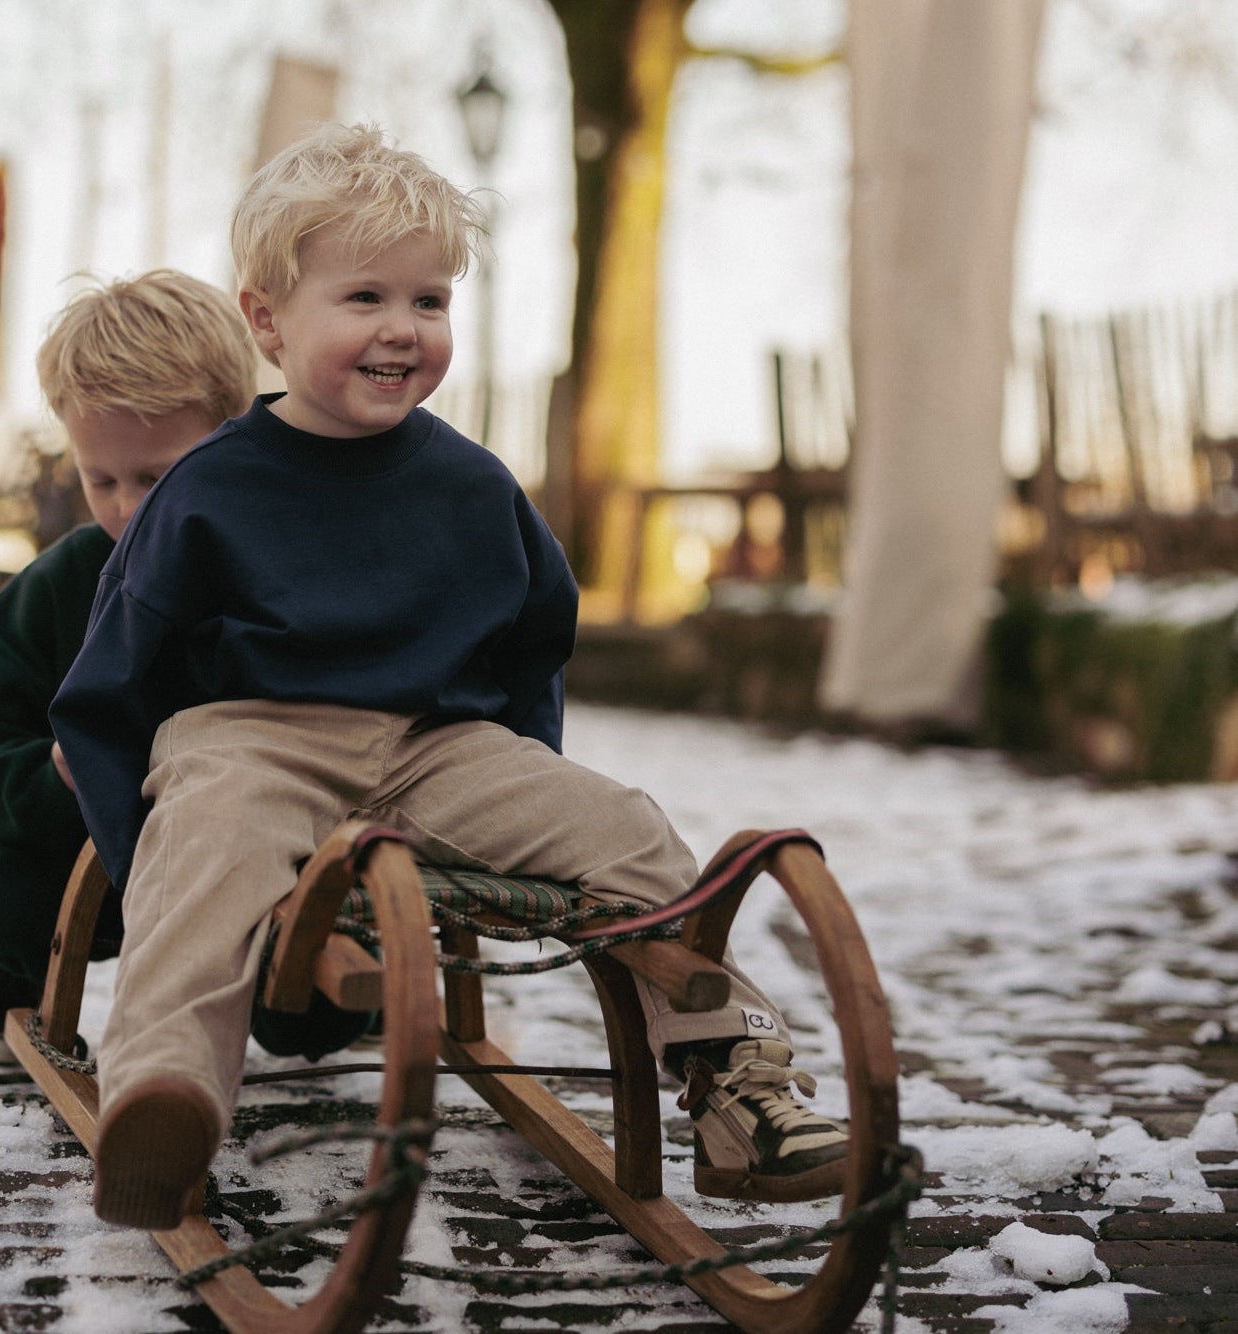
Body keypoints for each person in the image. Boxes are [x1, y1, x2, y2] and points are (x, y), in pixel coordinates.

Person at [50, 123, 848, 1229]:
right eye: (364, 297)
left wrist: (525, 787)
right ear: (266, 319)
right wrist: (142, 842)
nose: (402, 327)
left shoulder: (472, 487)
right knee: (207, 839)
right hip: (251, 735)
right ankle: (163, 1095)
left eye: (428, 300)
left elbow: (532, 637)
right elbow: (113, 676)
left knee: (627, 829)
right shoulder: (206, 489)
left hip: (436, 746)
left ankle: (735, 1082)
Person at [0, 269, 257, 1064]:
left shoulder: (267, 570)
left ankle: (329, 995)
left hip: (240, 855)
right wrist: (49, 772)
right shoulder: (55, 588)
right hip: (87, 853)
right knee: (0, 896)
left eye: (156, 478)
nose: (126, 507)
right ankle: (3, 985)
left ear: (232, 442)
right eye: (100, 479)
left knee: (312, 1002)